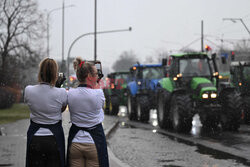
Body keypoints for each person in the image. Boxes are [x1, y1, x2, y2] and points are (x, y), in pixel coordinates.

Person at [24, 58, 67, 167]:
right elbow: (61, 109)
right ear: (55, 74)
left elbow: (32, 104)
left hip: (35, 138)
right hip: (54, 139)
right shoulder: (61, 92)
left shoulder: (28, 90)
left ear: (40, 72)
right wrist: (57, 86)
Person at [67, 57, 109, 167]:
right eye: (95, 74)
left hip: (75, 142)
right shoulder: (99, 93)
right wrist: (96, 83)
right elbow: (99, 105)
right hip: (94, 143)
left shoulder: (70, 93)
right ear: (89, 76)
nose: (97, 76)